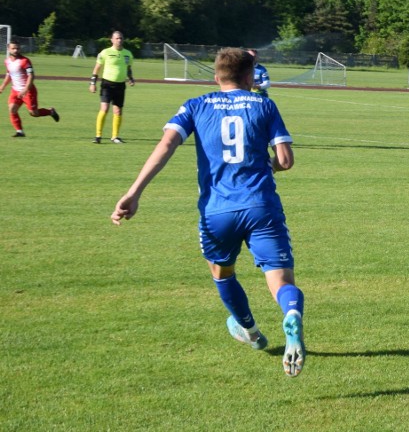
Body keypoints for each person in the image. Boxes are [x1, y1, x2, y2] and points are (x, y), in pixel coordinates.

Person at [110, 47, 307, 376]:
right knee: (280, 279)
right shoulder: (264, 103)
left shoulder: (195, 105)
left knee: (222, 272)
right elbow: (285, 160)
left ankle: (250, 330)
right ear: (249, 78)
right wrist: (262, 166)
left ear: (216, 78)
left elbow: (166, 145)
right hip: (261, 205)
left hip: (217, 212)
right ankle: (291, 313)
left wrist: (134, 192)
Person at [0, 40, 60, 137]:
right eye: (13, 48)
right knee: (12, 110)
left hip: (28, 91)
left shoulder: (25, 61)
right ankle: (20, 131)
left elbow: (31, 76)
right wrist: (2, 86)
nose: (15, 50)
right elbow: (9, 74)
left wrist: (25, 89)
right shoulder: (7, 61)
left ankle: (50, 111)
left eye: (17, 48)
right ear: (8, 49)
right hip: (15, 91)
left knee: (34, 113)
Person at [89, 31, 135, 144]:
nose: (119, 40)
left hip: (120, 85)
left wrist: (130, 78)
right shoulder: (105, 52)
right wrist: (92, 83)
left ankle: (115, 137)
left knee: (118, 111)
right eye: (117, 38)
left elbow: (128, 67)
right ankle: (98, 136)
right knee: (104, 108)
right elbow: (97, 68)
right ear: (112, 40)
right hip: (107, 84)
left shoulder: (128, 54)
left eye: (121, 38)